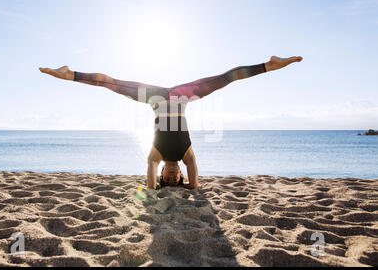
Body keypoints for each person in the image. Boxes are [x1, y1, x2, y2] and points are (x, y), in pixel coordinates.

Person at [39, 56, 302, 190]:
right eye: (178, 179)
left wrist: (157, 186)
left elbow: (151, 185)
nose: (174, 176)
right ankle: (270, 65)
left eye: (170, 178)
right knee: (226, 78)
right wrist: (190, 186)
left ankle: (70, 74)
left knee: (114, 85)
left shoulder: (156, 155)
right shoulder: (187, 156)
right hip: (180, 97)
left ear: (163, 174)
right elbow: (196, 184)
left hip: (154, 98)